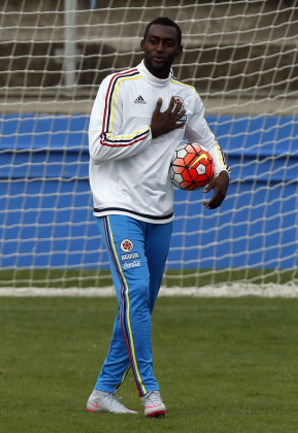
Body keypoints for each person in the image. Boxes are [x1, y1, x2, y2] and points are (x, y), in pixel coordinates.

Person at [85, 16, 230, 417]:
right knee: (136, 290)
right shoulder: (116, 85)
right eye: (153, 41)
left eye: (168, 43)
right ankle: (150, 391)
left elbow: (207, 140)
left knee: (140, 302)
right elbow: (99, 147)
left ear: (178, 50)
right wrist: (152, 130)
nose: (159, 48)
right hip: (117, 205)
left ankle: (101, 392)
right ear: (143, 43)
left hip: (160, 212)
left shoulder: (187, 95)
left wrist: (221, 172)